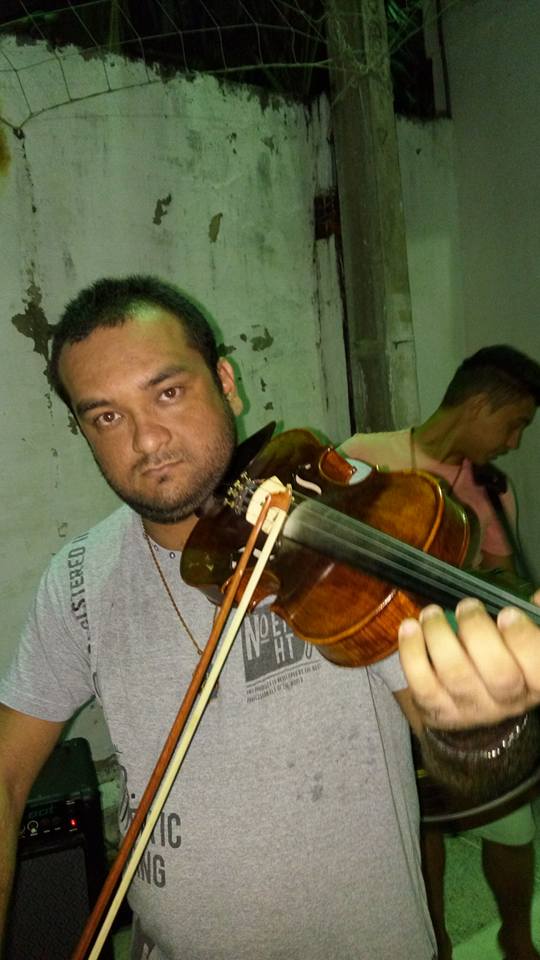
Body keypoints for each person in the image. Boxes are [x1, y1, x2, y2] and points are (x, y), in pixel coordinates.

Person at [1, 278, 540, 960]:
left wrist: (481, 729)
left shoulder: (343, 537)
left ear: (226, 383)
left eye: (169, 392)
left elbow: (461, 756)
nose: (146, 439)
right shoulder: (77, 577)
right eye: (106, 416)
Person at [340, 345, 540, 960]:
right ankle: (437, 944)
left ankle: (515, 934)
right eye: (513, 424)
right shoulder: (363, 455)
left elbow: (503, 582)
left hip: (458, 683)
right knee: (416, 824)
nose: (513, 443)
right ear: (478, 405)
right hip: (376, 675)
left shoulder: (491, 490)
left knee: (512, 823)